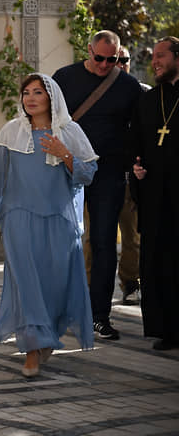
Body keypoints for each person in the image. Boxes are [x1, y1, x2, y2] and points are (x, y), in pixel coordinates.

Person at [0, 74, 97, 377]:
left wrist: (65, 155)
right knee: (27, 284)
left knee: (55, 284)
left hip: (59, 220)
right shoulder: (12, 132)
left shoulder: (69, 131)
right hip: (18, 217)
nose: (30, 98)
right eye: (26, 92)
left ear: (51, 97)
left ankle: (47, 334)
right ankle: (33, 349)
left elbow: (88, 174)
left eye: (38, 92)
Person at [53, 30, 142, 341]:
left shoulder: (128, 86)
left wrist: (135, 162)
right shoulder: (64, 78)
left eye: (113, 59)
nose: (106, 64)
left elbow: (139, 128)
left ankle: (99, 315)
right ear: (88, 51)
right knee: (64, 242)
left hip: (108, 175)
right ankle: (60, 310)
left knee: (104, 243)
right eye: (100, 58)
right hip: (67, 170)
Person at [129, 36, 179, 350]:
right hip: (155, 196)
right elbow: (135, 141)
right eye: (153, 58)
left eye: (161, 56)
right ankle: (166, 329)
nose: (155, 62)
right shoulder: (148, 100)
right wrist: (136, 166)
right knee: (158, 261)